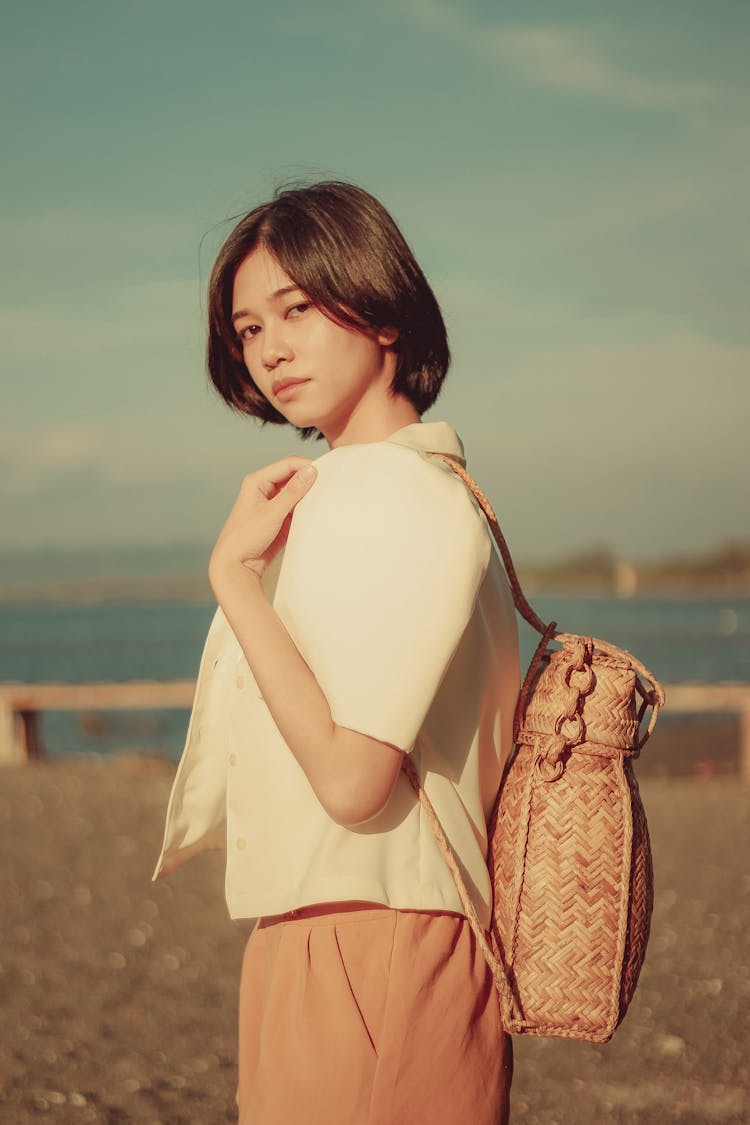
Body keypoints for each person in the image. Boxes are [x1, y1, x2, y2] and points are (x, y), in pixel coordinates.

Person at [153, 181, 520, 1124]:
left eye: (297, 308)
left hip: (378, 937)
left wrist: (235, 581)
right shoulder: (346, 494)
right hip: (322, 928)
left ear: (381, 307)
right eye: (245, 329)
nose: (269, 346)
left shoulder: (406, 499)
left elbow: (354, 779)